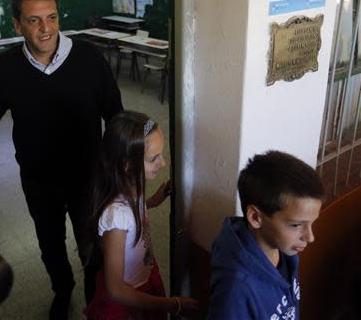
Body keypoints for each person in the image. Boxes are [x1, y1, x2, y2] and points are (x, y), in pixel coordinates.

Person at [0, 0, 123, 319]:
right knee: (50, 247)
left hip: (88, 177)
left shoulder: (87, 58)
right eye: (34, 20)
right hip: (39, 181)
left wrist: (126, 164)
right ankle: (62, 290)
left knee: (92, 247)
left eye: (52, 17)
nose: (46, 29)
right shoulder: (6, 68)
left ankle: (93, 303)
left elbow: (115, 113)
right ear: (17, 24)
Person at [83, 110, 198, 319]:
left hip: (145, 275)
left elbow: (137, 209)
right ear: (127, 164)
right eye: (154, 158)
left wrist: (154, 200)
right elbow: (115, 288)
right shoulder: (116, 218)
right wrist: (171, 304)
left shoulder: (134, 184)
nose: (162, 163)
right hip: (128, 298)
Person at [206, 150, 326, 320]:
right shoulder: (236, 289)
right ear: (256, 217)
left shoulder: (286, 248)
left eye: (312, 223)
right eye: (296, 225)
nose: (310, 237)